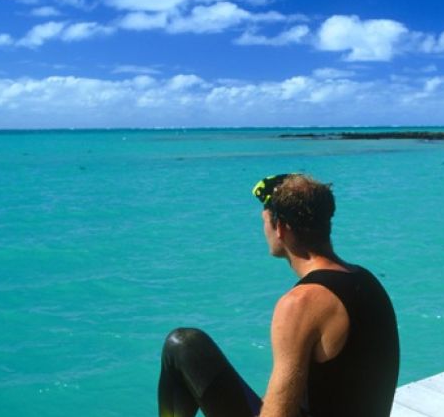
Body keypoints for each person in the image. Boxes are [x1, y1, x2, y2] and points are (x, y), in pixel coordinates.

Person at [158, 173, 400, 417]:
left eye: (265, 220)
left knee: (183, 345)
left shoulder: (301, 303)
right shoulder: (367, 281)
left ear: (280, 228)